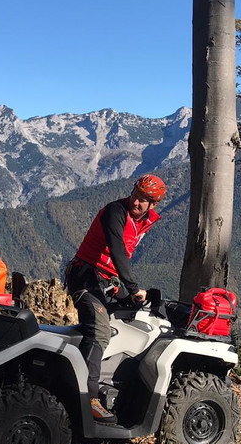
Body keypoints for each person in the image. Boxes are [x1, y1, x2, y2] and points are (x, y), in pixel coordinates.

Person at [64, 174, 166, 424]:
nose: (136, 202)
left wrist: (130, 294)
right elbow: (117, 249)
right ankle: (87, 399)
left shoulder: (143, 220)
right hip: (85, 278)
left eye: (143, 200)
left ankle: (113, 385)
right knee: (99, 331)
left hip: (107, 282)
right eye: (135, 195)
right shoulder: (115, 212)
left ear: (153, 204)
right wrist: (132, 288)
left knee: (131, 321)